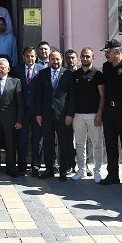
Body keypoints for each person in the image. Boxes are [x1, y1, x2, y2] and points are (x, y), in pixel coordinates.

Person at [99, 40, 122, 188]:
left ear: (117, 51)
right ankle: (113, 174)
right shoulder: (106, 67)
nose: (106, 54)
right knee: (110, 144)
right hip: (110, 110)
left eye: (108, 51)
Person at [35, 51, 75, 181]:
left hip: (63, 115)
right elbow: (38, 96)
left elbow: (72, 97)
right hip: (46, 115)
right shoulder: (42, 74)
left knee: (64, 144)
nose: (55, 62)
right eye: (52, 59)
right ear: (49, 60)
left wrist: (69, 114)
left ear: (61, 59)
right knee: (48, 143)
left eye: (57, 59)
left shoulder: (68, 74)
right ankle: (49, 169)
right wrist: (38, 114)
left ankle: (63, 170)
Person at [72, 47, 105, 184]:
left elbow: (103, 96)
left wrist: (99, 114)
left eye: (87, 56)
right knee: (79, 144)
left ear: (93, 58)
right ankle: (81, 169)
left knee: (97, 144)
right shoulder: (76, 74)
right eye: (83, 56)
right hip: (78, 114)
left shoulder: (98, 75)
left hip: (93, 115)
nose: (85, 59)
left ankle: (97, 170)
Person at [0, 58, 24, 178]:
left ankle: (11, 168)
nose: (0, 69)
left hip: (10, 120)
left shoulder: (15, 82)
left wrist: (19, 120)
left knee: (10, 145)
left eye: (2, 67)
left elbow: (20, 104)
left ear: (8, 69)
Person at [14, 47, 43, 177]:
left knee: (37, 139)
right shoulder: (17, 69)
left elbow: (44, 92)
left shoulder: (42, 70)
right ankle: (22, 166)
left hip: (37, 111)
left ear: (36, 57)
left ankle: (36, 166)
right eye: (27, 56)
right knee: (22, 139)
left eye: (32, 56)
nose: (30, 59)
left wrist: (41, 112)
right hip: (22, 111)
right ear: (23, 56)